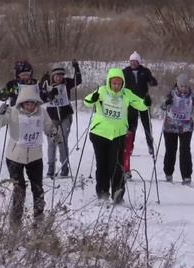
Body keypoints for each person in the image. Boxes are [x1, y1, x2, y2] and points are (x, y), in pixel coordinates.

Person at [0, 85, 61, 225]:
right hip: (15, 157)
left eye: (32, 103)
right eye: (27, 103)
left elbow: (48, 127)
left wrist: (54, 134)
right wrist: (0, 112)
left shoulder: (42, 112)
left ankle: (38, 220)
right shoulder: (12, 112)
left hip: (35, 156)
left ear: (36, 102)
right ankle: (15, 222)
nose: (30, 106)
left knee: (38, 188)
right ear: (21, 102)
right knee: (19, 189)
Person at [84, 68, 146, 203]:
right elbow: (87, 101)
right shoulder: (101, 91)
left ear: (122, 83)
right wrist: (92, 99)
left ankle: (117, 194)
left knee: (117, 165)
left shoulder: (126, 94)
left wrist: (146, 103)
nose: (116, 86)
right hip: (99, 134)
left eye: (119, 84)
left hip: (117, 136)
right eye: (114, 83)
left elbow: (140, 105)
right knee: (102, 165)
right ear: (109, 82)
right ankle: (102, 193)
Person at [160, 74, 194, 185]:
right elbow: (163, 106)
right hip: (170, 127)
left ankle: (186, 176)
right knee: (170, 150)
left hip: (186, 127)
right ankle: (168, 174)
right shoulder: (171, 93)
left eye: (185, 86)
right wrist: (166, 103)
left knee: (185, 150)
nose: (183, 88)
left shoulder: (193, 94)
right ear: (177, 85)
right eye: (181, 86)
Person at [41, 61, 82, 177]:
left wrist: (76, 68)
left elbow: (78, 81)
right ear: (52, 76)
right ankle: (51, 167)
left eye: (60, 75)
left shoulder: (67, 83)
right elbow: (41, 97)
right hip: (52, 117)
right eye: (56, 75)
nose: (58, 77)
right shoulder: (47, 84)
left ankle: (64, 166)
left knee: (62, 142)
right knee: (52, 142)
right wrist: (48, 95)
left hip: (65, 116)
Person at [123, 51, 158, 164]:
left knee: (146, 124)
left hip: (143, 101)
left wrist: (152, 81)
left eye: (135, 61)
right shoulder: (125, 71)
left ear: (139, 62)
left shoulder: (145, 71)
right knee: (132, 126)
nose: (133, 63)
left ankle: (150, 145)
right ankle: (130, 147)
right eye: (131, 61)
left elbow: (154, 82)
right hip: (131, 102)